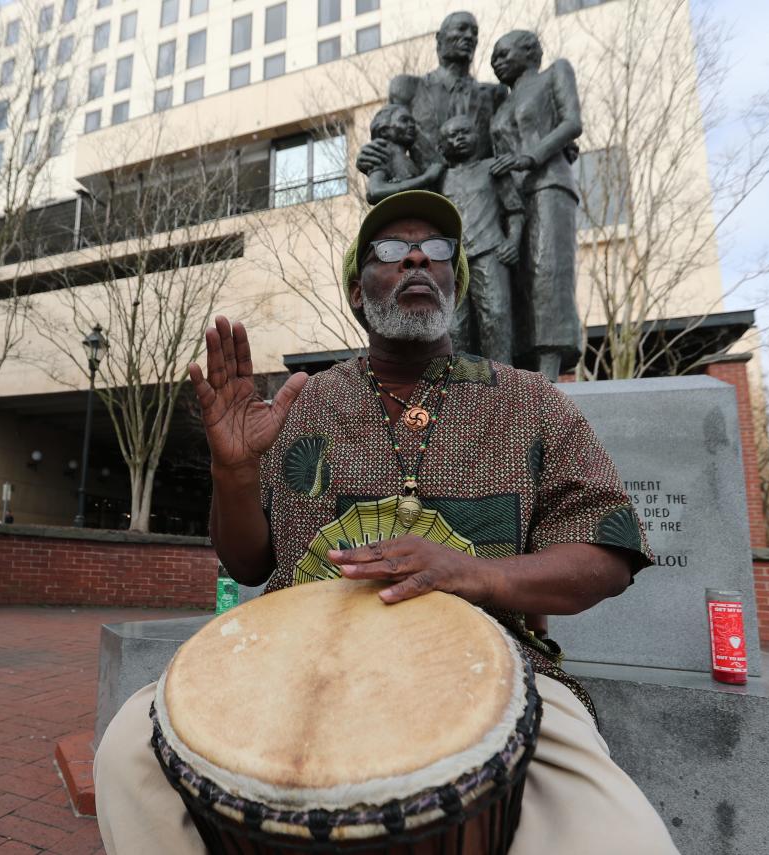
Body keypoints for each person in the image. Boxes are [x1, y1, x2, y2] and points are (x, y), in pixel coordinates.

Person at [94, 191, 678, 855]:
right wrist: (233, 473)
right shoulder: (301, 405)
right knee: (125, 754)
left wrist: (476, 574)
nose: (420, 260)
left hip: (496, 678)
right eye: (394, 250)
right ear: (356, 290)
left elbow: (606, 552)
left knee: (624, 839)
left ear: (455, 282)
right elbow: (249, 563)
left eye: (438, 251)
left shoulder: (532, 402)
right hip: (290, 672)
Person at [489, 30, 584, 381]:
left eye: (503, 53)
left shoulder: (555, 73)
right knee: (519, 282)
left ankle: (549, 369)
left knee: (548, 274)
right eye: (493, 58)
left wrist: (531, 156)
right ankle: (525, 372)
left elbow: (571, 123)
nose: (496, 62)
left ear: (529, 50)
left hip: (548, 185)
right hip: (511, 202)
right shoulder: (500, 105)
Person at [356, 11, 505, 201]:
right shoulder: (408, 88)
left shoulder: (494, 95)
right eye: (461, 29)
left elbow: (502, 148)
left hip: (481, 200)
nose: (469, 36)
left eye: (474, 32)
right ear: (439, 38)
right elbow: (391, 141)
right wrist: (372, 157)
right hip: (429, 199)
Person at [439, 114, 524, 364]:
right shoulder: (440, 178)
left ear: (477, 136)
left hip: (490, 252)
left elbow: (515, 210)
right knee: (454, 325)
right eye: (452, 136)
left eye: (464, 132)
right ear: (443, 145)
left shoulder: (492, 168)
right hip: (454, 261)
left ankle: (503, 380)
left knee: (495, 316)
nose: (459, 139)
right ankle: (457, 383)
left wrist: (513, 241)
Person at [364, 103, 443, 202]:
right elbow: (376, 190)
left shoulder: (408, 158)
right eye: (404, 120)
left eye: (413, 122)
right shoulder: (382, 153)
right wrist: (426, 178)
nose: (412, 125)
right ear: (384, 131)